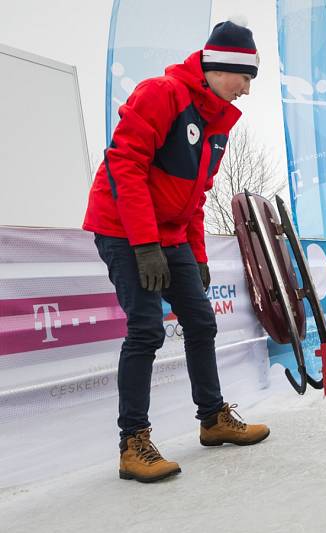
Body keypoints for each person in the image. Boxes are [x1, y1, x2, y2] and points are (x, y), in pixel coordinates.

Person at [82, 20, 269, 483]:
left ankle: (212, 419)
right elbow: (124, 165)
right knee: (146, 329)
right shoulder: (162, 93)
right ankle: (133, 443)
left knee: (201, 321)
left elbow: (194, 197)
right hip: (123, 227)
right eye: (245, 78)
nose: (247, 89)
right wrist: (144, 244)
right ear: (222, 67)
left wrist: (198, 255)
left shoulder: (218, 126)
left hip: (169, 233)